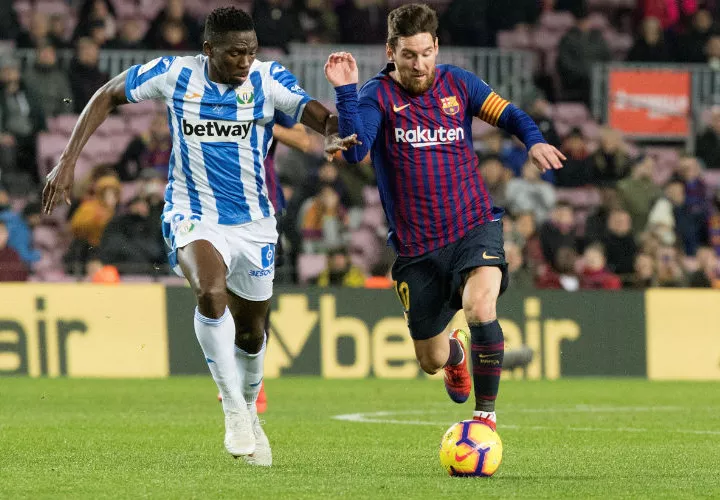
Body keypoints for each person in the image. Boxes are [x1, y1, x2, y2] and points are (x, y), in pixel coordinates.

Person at [43, 6, 357, 466]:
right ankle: (232, 406)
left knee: (251, 335)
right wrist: (69, 160)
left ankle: (250, 408)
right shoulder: (174, 75)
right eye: (234, 54)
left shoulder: (268, 79)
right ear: (208, 50)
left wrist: (331, 134)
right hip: (193, 214)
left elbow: (317, 115)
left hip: (254, 223)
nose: (244, 61)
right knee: (210, 295)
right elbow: (107, 94)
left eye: (250, 52)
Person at [324, 3, 564, 431]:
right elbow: (357, 151)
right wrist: (345, 91)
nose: (420, 65)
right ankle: (456, 354)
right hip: (418, 249)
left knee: (480, 305)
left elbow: (509, 113)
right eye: (409, 55)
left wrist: (533, 141)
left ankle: (485, 420)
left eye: (426, 53)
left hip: (474, 225)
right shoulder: (376, 96)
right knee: (430, 361)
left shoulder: (459, 83)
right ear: (390, 52)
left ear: (437, 46)